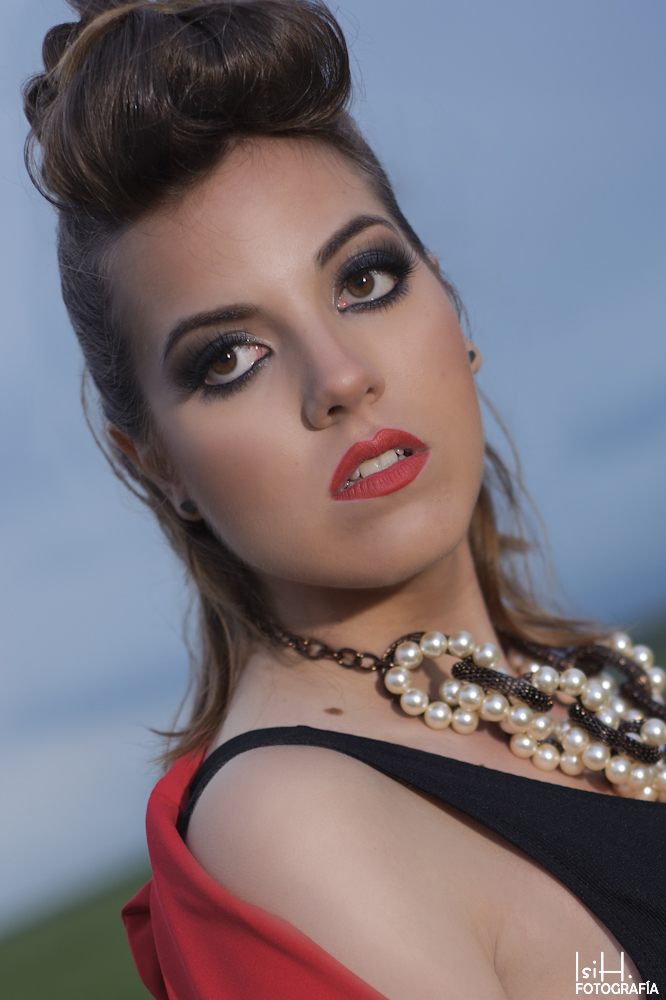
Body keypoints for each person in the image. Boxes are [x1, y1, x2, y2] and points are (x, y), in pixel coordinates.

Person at [24, 1, 665, 997]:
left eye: (364, 279)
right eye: (230, 358)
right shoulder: (297, 821)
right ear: (156, 464)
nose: (340, 377)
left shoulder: (587, 680)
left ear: (450, 303)